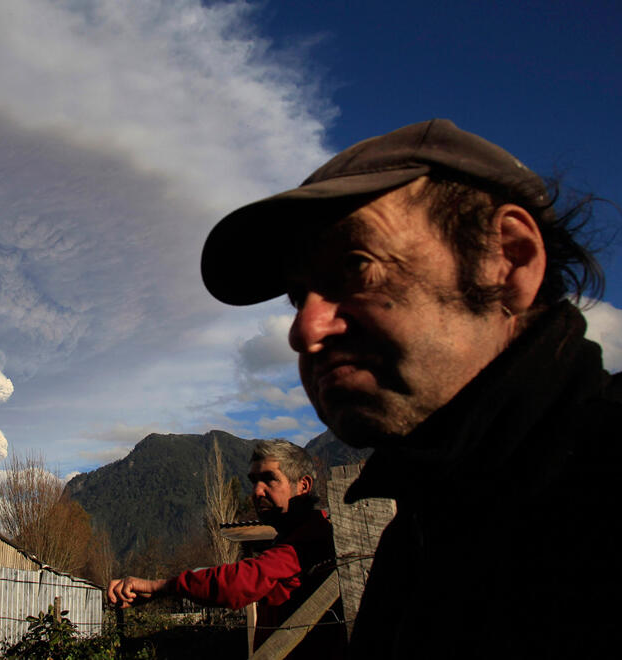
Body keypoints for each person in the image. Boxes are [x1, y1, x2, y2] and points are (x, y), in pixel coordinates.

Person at [200, 119, 621, 658]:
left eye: (356, 266)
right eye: (297, 296)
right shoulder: (425, 524)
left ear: (509, 260)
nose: (303, 330)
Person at [107, 440, 346, 657]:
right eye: (254, 481)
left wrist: (160, 586)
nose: (257, 491)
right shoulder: (293, 538)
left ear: (303, 485)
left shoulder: (309, 539)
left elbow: (239, 581)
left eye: (270, 479)